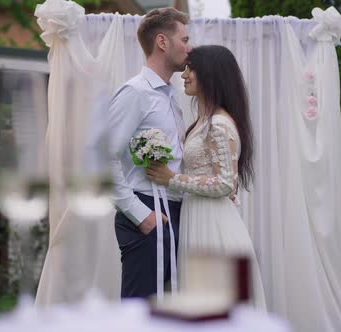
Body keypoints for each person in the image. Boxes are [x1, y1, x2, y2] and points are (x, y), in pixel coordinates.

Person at [146, 45, 266, 309]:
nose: (184, 74)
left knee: (216, 299)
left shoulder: (219, 124)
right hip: (197, 215)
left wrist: (171, 178)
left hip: (213, 223)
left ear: (211, 74)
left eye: (191, 68)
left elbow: (226, 184)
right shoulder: (203, 120)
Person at [108, 7, 191, 298]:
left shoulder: (172, 96)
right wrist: (140, 215)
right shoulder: (135, 92)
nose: (189, 48)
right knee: (139, 315)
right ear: (162, 42)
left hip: (176, 211)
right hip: (147, 211)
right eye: (184, 39)